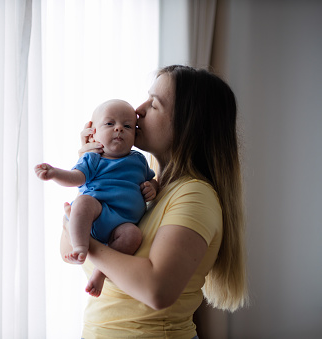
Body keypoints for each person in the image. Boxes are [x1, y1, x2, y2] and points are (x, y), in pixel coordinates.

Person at [60, 65, 249, 338]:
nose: (138, 109)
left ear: (188, 125)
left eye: (155, 104)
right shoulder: (141, 186)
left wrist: (85, 244)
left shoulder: (194, 196)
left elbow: (156, 290)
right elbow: (67, 253)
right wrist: (90, 174)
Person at [35, 99, 158, 297]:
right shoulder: (93, 158)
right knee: (84, 202)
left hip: (122, 224)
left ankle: (99, 273)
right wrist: (54, 174)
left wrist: (152, 187)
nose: (119, 129)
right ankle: (80, 247)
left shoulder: (139, 160)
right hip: (97, 213)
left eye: (127, 126)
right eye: (110, 124)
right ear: (93, 133)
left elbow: (151, 180)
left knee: (133, 235)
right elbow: (75, 178)